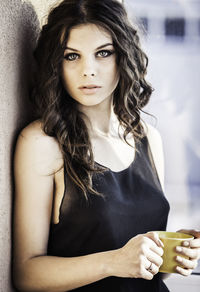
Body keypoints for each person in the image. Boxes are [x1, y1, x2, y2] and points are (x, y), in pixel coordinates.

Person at [13, 0, 200, 291]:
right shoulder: (42, 143)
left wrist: (167, 258)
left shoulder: (149, 138)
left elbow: (139, 270)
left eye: (103, 53)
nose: (88, 70)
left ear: (123, 56)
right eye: (72, 56)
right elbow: (26, 274)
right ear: (56, 64)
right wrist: (113, 261)